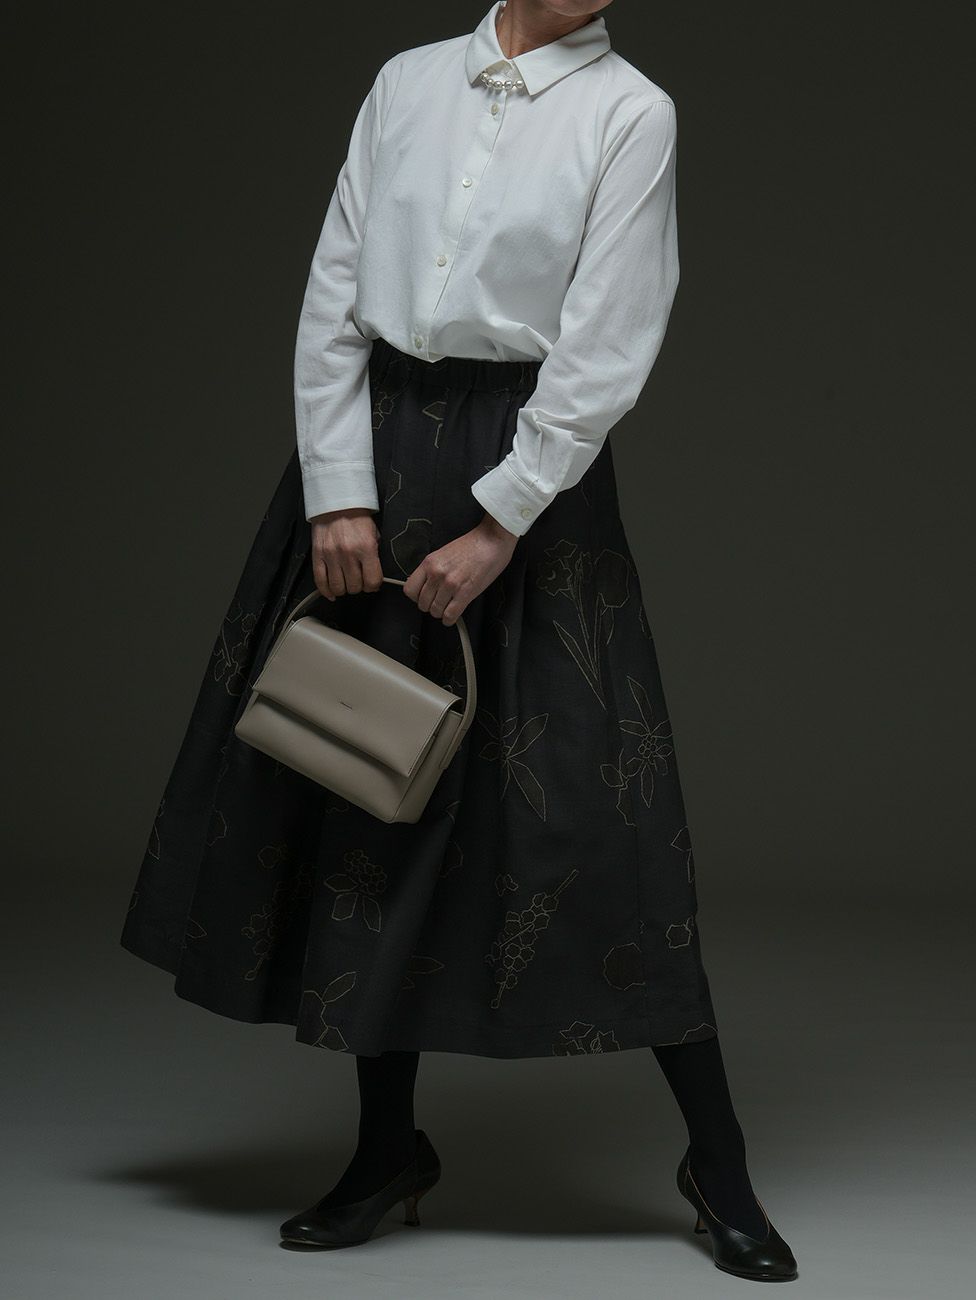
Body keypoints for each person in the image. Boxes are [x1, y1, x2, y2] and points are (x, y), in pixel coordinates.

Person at [119, 1, 797, 1282]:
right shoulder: (407, 81)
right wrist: (337, 490)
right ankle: (386, 1151)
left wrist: (501, 520)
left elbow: (607, 341)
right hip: (372, 458)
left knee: (603, 824)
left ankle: (718, 1161)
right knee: (368, 783)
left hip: (530, 476)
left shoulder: (630, 113)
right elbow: (335, 288)